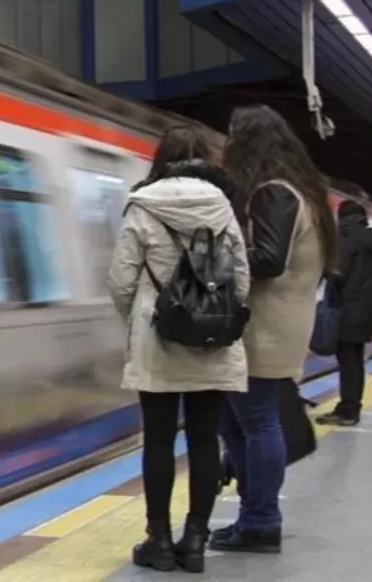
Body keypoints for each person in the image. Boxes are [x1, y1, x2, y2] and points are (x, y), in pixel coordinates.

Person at [108, 126, 250, 573]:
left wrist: (143, 318)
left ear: (161, 158)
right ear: (205, 160)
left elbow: (121, 281)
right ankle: (195, 541)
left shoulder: (143, 205)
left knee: (159, 441)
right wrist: (217, 315)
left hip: (157, 339)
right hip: (211, 340)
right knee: (205, 439)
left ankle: (160, 542)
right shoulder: (223, 207)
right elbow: (242, 280)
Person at [214, 105, 337, 554]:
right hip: (279, 323)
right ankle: (254, 514)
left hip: (264, 327)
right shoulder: (304, 193)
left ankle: (262, 520)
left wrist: (216, 262)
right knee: (236, 421)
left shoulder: (274, 193)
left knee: (257, 421)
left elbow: (267, 259)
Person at [316, 198, 372, 426]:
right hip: (365, 311)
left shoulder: (347, 238)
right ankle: (351, 407)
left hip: (348, 310)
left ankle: (348, 411)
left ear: (342, 218)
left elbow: (338, 272)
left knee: (348, 362)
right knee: (354, 360)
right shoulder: (370, 239)